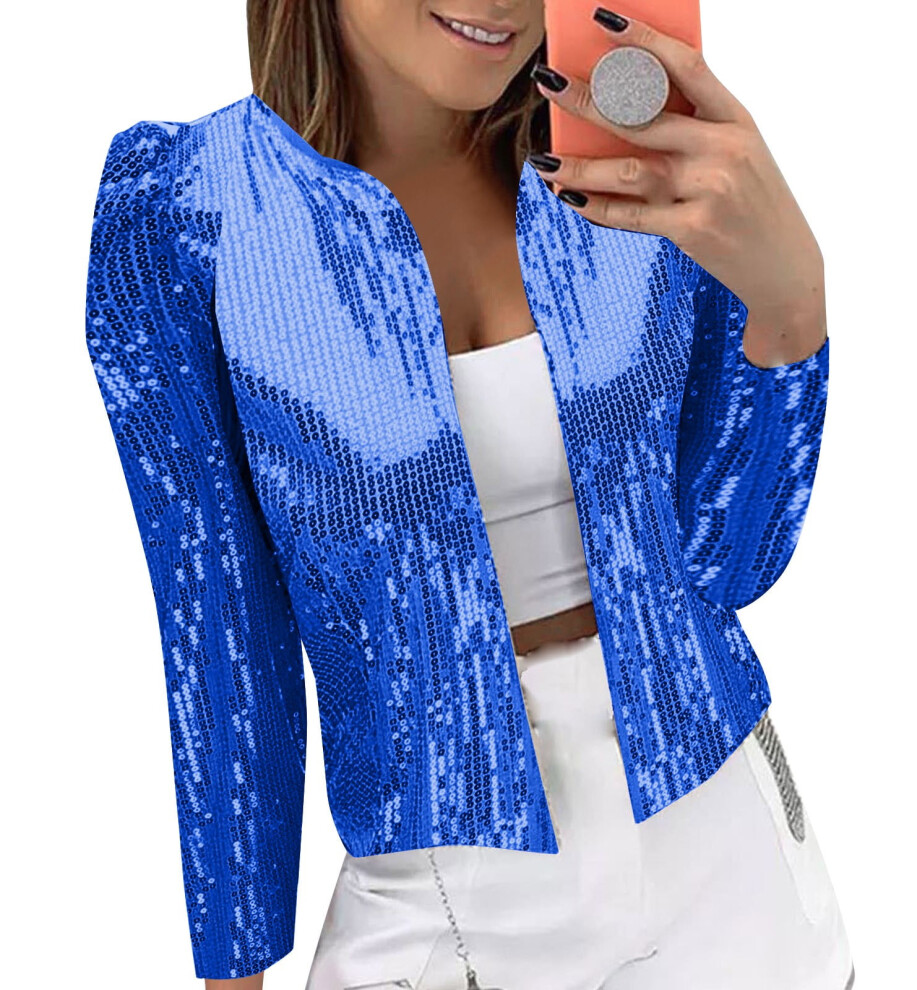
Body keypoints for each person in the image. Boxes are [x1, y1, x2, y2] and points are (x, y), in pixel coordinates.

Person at [86, 2, 854, 989]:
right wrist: (235, 969)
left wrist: (792, 310)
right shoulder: (186, 207)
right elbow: (222, 639)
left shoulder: (629, 158)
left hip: (727, 852)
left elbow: (731, 565)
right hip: (441, 896)